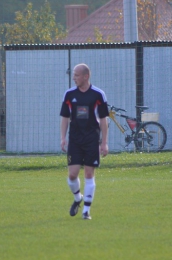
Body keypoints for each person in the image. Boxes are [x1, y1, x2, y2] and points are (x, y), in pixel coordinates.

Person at [60, 63, 109, 220]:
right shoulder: (69, 94)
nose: (74, 77)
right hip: (75, 139)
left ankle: (86, 211)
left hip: (91, 139)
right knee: (72, 174)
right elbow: (65, 117)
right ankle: (77, 198)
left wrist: (104, 142)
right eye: (73, 75)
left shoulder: (98, 94)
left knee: (89, 173)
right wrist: (63, 138)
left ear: (86, 76)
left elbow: (103, 119)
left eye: (76, 75)